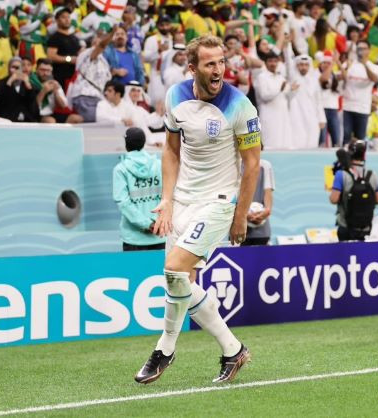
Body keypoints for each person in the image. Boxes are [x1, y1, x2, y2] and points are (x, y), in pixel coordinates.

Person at [134, 35, 260, 385]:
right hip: (183, 201)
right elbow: (171, 150)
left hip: (219, 201)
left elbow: (252, 165)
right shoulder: (175, 96)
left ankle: (165, 348)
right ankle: (233, 349)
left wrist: (240, 216)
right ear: (193, 68)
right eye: (210, 63)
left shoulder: (240, 106)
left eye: (221, 61)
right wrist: (167, 200)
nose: (219, 69)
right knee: (179, 281)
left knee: (174, 269)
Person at [113, 127, 166, 251]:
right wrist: (155, 223)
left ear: (126, 144)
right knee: (158, 271)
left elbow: (123, 203)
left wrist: (148, 225)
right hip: (159, 234)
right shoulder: (159, 165)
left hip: (134, 238)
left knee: (132, 271)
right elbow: (168, 197)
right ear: (143, 143)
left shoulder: (121, 169)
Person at [330, 139, 378, 241]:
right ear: (364, 155)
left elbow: (334, 199)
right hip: (366, 227)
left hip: (346, 226)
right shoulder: (373, 175)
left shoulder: (341, 174)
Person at [342, 40, 378, 142]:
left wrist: (365, 65)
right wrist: (342, 66)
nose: (361, 51)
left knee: (360, 139)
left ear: (368, 51)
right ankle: (346, 157)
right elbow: (340, 78)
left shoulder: (374, 67)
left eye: (363, 49)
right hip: (348, 106)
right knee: (346, 136)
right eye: (359, 49)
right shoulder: (349, 64)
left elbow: (375, 79)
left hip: (363, 107)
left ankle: (359, 158)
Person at [254, 50, 293, 149]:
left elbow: (287, 96)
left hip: (282, 116)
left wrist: (293, 90)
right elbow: (264, 96)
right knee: (269, 145)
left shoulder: (281, 77)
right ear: (266, 63)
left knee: (284, 145)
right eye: (270, 61)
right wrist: (279, 89)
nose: (273, 64)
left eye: (275, 61)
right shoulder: (261, 77)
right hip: (269, 116)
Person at [31, 58, 83, 124]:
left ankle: (64, 134)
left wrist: (56, 92)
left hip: (51, 114)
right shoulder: (31, 82)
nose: (45, 73)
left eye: (48, 70)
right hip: (36, 115)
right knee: (50, 121)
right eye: (42, 70)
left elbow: (63, 106)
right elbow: (33, 107)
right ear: (36, 69)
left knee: (77, 118)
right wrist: (43, 91)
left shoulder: (54, 83)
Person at [46, 8, 81, 91]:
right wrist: (68, 59)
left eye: (68, 17)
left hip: (75, 77)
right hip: (61, 77)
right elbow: (51, 56)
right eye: (63, 17)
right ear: (57, 20)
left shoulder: (74, 37)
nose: (67, 20)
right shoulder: (55, 38)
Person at [0, 56, 39, 122]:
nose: (17, 70)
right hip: (7, 119)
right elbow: (2, 100)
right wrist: (10, 81)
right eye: (14, 67)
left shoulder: (28, 83)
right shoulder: (1, 83)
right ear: (8, 68)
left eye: (19, 68)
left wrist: (27, 83)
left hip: (26, 119)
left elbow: (32, 102)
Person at [244, 156, 275, 246]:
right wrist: (242, 214)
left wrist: (267, 210)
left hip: (261, 230)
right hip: (239, 228)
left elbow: (268, 191)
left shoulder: (265, 165)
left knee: (261, 259)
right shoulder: (235, 164)